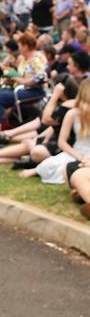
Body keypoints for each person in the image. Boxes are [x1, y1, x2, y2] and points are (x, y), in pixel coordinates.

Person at [58, 79, 90, 218]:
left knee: (77, 175)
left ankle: (82, 195)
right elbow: (62, 142)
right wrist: (82, 158)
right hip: (80, 155)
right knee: (68, 170)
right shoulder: (73, 113)